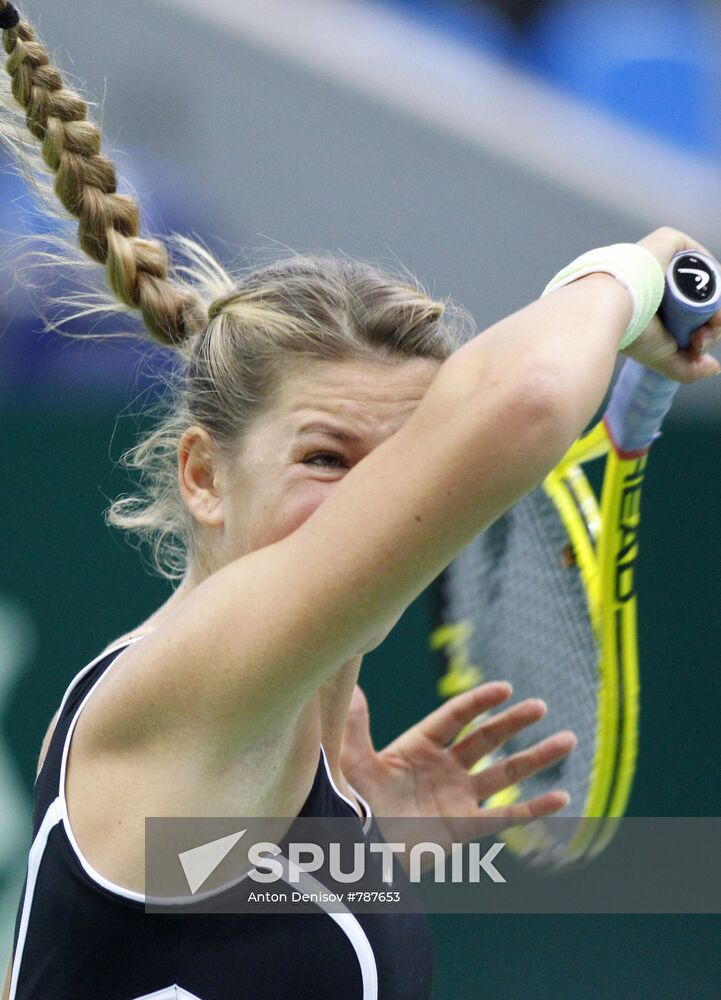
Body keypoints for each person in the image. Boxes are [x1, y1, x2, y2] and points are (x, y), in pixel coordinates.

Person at [1, 3, 720, 998]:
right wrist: (639, 267)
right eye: (330, 457)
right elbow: (528, 399)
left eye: (402, 461)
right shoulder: (198, 690)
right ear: (205, 476)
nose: (379, 499)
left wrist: (351, 859)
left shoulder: (222, 739)